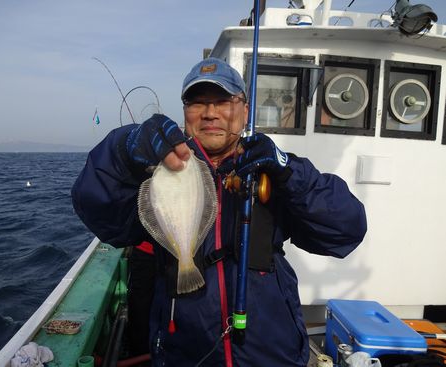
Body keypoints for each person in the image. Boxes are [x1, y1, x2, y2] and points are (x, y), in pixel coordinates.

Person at [72, 57, 367, 366]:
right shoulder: (158, 169)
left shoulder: (274, 171)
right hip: (185, 351)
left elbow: (346, 230)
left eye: (223, 101)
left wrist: (289, 170)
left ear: (244, 110)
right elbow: (97, 209)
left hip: (270, 352)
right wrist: (122, 151)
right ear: (185, 112)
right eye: (197, 103)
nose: (210, 113)